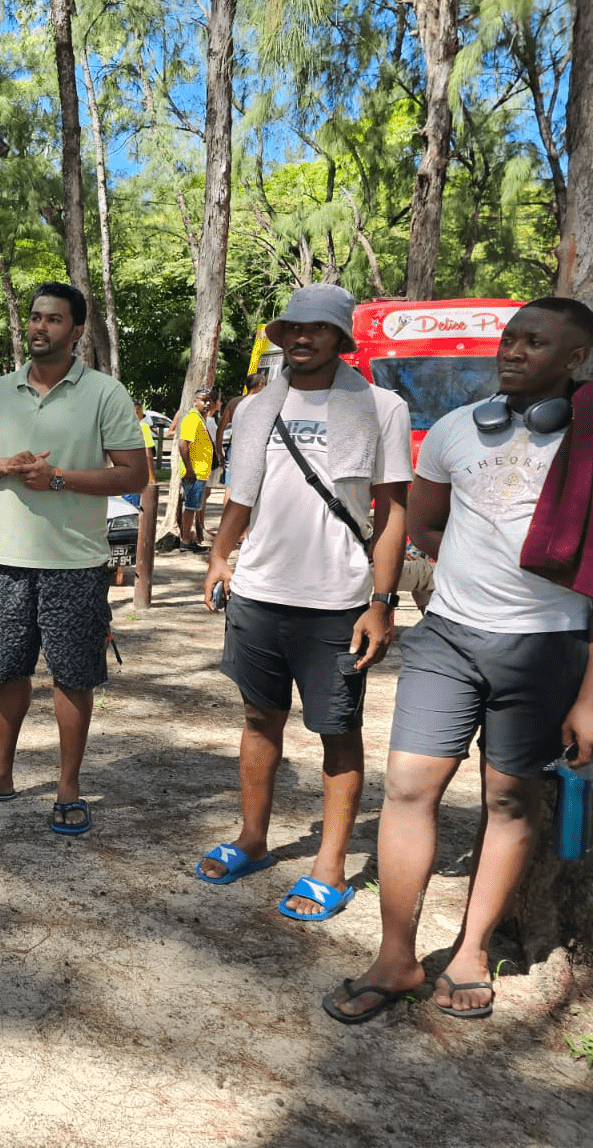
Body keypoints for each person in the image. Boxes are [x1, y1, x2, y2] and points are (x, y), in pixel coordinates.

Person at [324, 297, 593, 1023]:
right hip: (446, 635)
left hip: (549, 647)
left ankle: (472, 952)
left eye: (534, 342)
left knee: (509, 800)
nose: (511, 351)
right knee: (409, 786)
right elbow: (426, 518)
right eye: (509, 338)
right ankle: (397, 955)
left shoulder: (588, 443)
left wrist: (590, 692)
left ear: (575, 360)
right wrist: (477, 573)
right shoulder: (451, 429)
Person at [199, 283, 411, 922]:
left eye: (317, 328)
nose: (300, 336)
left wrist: (382, 601)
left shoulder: (381, 407)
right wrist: (219, 555)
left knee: (338, 732)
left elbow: (394, 509)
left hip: (338, 602)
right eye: (291, 326)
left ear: (342, 339)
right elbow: (242, 495)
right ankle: (254, 840)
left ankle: (329, 866)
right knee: (259, 720)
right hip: (260, 593)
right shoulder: (258, 407)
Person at [0, 282, 148, 833]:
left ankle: (68, 787)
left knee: (73, 676)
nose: (40, 328)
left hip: (76, 561)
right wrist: (5, 465)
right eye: (35, 317)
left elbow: (135, 474)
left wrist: (57, 477)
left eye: (54, 320)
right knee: (5, 671)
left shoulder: (105, 394)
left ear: (77, 330)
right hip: (4, 560)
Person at [177, 388, 218, 551]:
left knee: (193, 507)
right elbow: (183, 444)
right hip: (194, 473)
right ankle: (185, 541)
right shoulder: (192, 419)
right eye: (203, 400)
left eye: (209, 400)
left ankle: (188, 539)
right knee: (190, 507)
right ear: (195, 401)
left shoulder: (201, 419)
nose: (207, 404)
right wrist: (189, 469)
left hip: (200, 472)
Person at [217, 372, 269, 486]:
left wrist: (219, 451)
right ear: (260, 384)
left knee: (229, 487)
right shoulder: (263, 403)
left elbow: (220, 429)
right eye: (265, 384)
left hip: (234, 447)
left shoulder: (233, 403)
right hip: (252, 450)